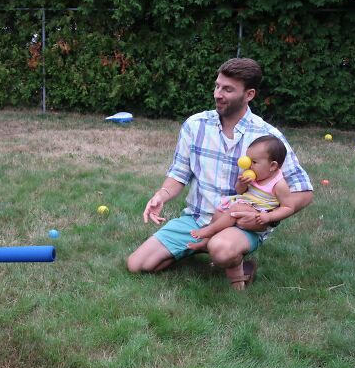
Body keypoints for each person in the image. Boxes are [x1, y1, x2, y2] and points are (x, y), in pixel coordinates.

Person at [126, 58, 313, 290]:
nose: (218, 94)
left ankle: (232, 259)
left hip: (240, 226)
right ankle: (205, 246)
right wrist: (161, 195)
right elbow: (178, 174)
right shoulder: (195, 125)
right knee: (138, 264)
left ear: (249, 94)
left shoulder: (267, 136)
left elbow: (303, 191)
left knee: (223, 249)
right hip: (197, 218)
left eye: (228, 89)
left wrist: (265, 218)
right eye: (217, 86)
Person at [187, 135, 296, 249]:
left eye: (254, 162)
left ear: (273, 166)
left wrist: (269, 217)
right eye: (248, 160)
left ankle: (209, 230)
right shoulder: (255, 174)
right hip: (244, 203)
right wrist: (242, 183)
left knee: (235, 209)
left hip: (259, 212)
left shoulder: (279, 184)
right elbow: (239, 191)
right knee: (219, 212)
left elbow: (288, 207)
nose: (249, 165)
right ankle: (205, 243)